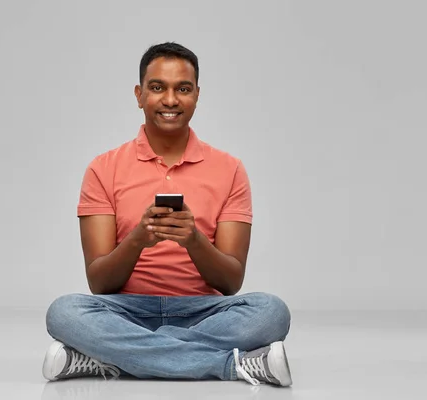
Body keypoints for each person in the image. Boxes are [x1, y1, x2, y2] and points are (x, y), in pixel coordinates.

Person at [42, 42, 293, 387]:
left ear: (197, 95)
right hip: (126, 313)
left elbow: (231, 281)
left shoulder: (229, 169)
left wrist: (193, 241)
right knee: (65, 312)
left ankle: (108, 357)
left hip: (203, 313)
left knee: (271, 311)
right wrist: (137, 241)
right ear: (139, 94)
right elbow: (99, 283)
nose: (171, 100)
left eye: (183, 89)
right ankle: (229, 366)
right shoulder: (103, 169)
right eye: (158, 87)